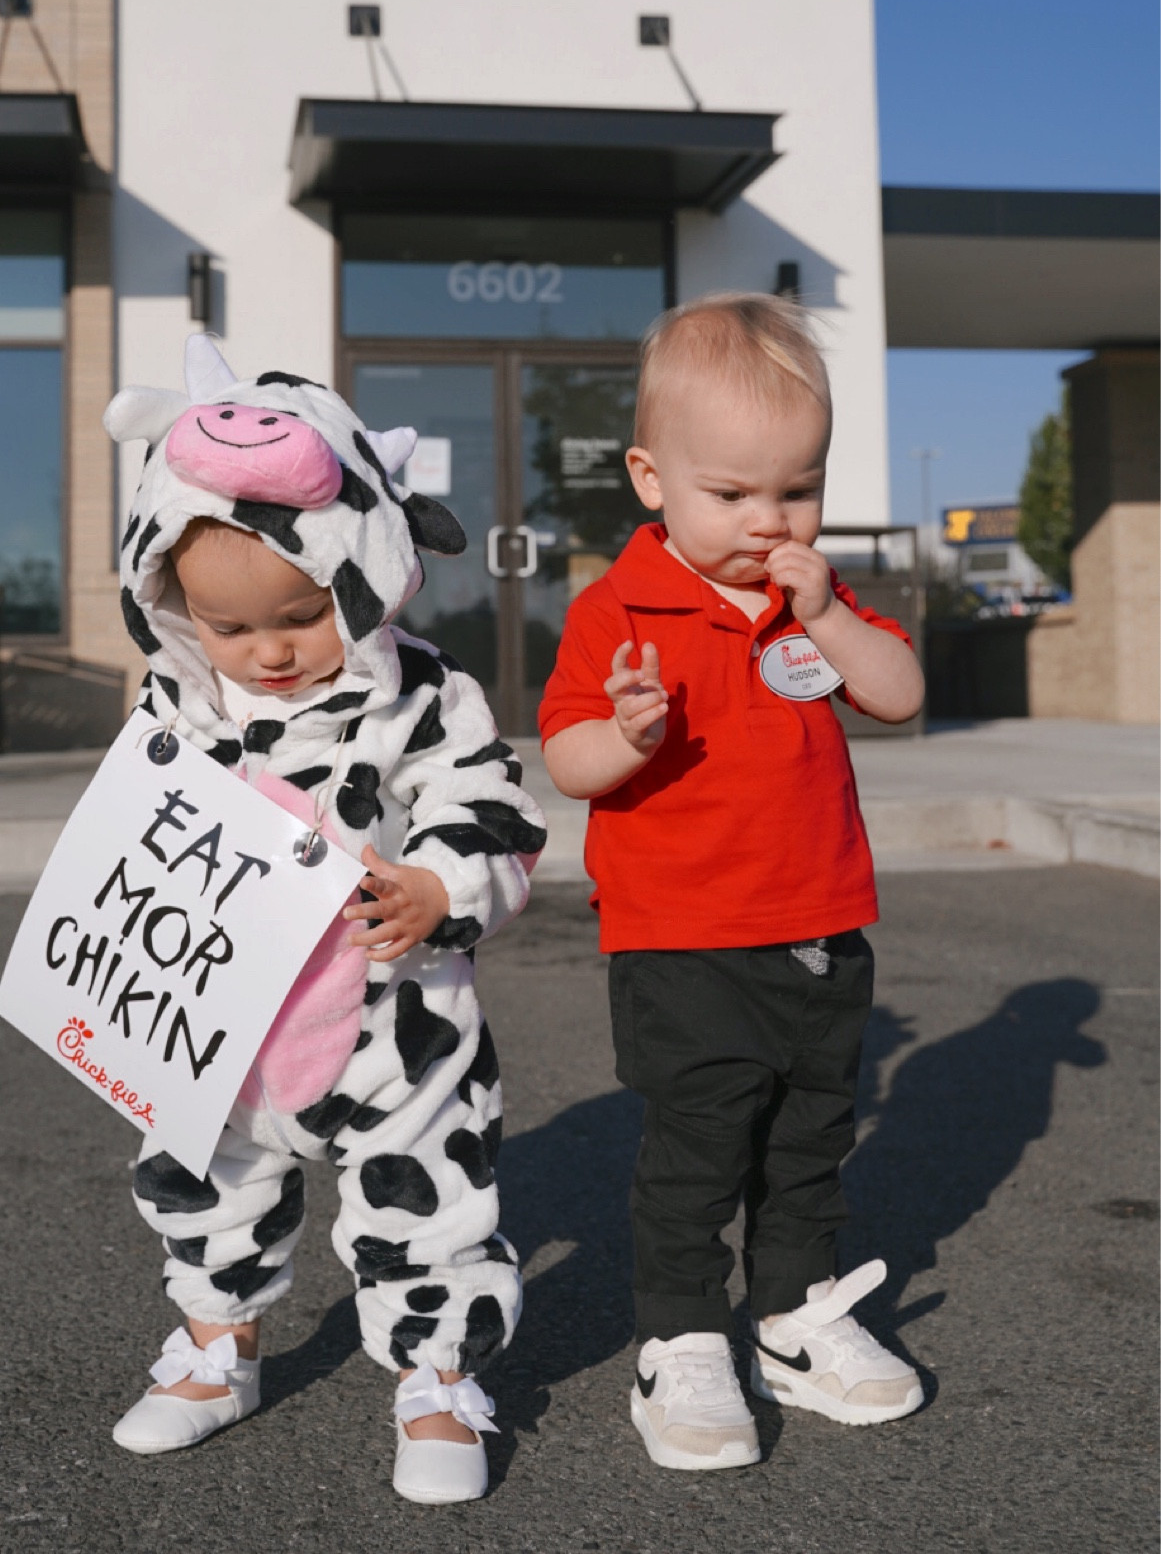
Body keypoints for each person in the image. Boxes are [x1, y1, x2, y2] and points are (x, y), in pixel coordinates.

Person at [101, 336, 545, 1505]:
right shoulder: (176, 703)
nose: (268, 651)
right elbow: (135, 832)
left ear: (364, 563)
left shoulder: (424, 691)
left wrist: (443, 884)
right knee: (206, 1183)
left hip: (394, 1021)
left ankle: (440, 1372)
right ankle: (218, 1347)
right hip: (218, 1016)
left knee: (429, 1195)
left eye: (300, 612)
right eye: (227, 625)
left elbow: (489, 801)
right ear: (170, 601)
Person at [539, 294, 926, 1474]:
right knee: (699, 1148)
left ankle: (794, 1312)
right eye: (733, 493)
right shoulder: (615, 610)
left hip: (819, 923)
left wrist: (827, 615)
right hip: (684, 935)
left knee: (810, 1137)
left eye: (796, 488)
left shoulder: (811, 594)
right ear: (651, 478)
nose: (769, 519)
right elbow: (566, 757)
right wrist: (631, 733)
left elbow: (899, 693)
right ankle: (682, 1334)